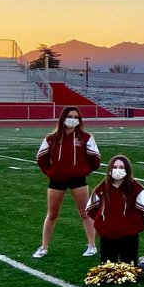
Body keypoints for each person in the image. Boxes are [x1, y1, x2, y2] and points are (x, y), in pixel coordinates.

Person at [34, 106, 100, 258]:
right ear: (63, 118)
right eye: (70, 116)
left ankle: (92, 245)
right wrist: (51, 172)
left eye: (76, 117)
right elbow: (41, 158)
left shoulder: (86, 138)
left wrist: (84, 170)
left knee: (85, 213)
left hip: (79, 180)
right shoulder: (52, 138)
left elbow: (95, 158)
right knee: (52, 214)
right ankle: (44, 247)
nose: (73, 119)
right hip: (57, 180)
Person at [84, 155, 144, 270]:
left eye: (121, 167)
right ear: (110, 169)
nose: (118, 170)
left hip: (129, 236)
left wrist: (132, 222)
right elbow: (90, 209)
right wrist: (103, 222)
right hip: (107, 236)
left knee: (129, 273)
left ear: (127, 169)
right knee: (107, 271)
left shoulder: (136, 188)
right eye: (115, 167)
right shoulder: (102, 189)